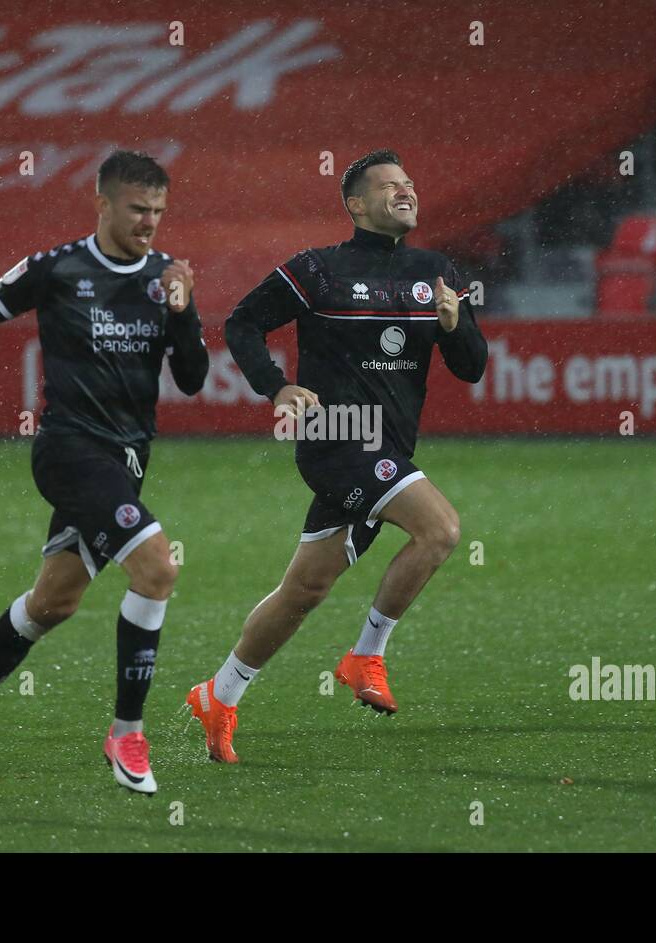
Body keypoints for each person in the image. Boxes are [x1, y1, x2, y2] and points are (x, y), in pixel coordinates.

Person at [186, 149, 487, 763]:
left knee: (305, 590)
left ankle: (219, 694)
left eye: (410, 183)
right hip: (338, 437)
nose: (405, 192)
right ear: (355, 205)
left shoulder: (434, 271)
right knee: (441, 530)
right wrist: (276, 385)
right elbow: (244, 322)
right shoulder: (319, 270)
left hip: (389, 450)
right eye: (388, 187)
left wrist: (457, 324)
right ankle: (366, 655)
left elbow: (472, 367)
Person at [0, 150, 208, 793]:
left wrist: (184, 312)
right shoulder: (57, 269)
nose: (149, 222)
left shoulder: (166, 276)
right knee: (158, 567)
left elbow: (192, 381)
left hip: (127, 463)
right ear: (102, 203)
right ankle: (127, 733)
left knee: (54, 602)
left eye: (159, 211)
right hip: (69, 451)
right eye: (138, 208)